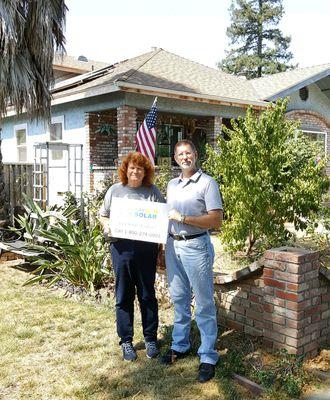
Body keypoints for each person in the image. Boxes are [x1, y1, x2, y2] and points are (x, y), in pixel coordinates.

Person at [159, 140, 223, 383]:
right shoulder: (172, 184)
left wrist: (184, 218)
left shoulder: (208, 183)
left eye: (188, 153)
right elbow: (167, 216)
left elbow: (215, 221)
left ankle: (208, 356)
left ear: (195, 155)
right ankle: (180, 345)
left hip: (196, 246)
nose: (185, 157)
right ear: (175, 159)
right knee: (179, 299)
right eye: (180, 154)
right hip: (173, 245)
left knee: (204, 303)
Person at [100, 152, 165, 361]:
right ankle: (126, 341)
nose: (135, 171)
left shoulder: (152, 192)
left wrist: (161, 249)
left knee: (147, 294)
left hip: (146, 248)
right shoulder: (115, 190)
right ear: (125, 170)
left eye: (140, 168)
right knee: (123, 295)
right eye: (132, 168)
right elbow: (103, 214)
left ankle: (150, 339)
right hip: (122, 249)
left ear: (145, 172)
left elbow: (162, 220)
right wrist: (107, 225)